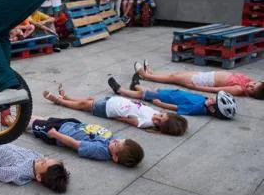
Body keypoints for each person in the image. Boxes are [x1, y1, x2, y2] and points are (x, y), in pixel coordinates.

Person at [43, 85, 188, 136]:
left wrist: (117, 117)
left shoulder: (147, 123)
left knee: (83, 105)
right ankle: (68, 97)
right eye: (161, 115)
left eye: (159, 122)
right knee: (87, 100)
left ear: (160, 128)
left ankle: (59, 101)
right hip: (113, 101)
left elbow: (130, 120)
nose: (157, 117)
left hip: (108, 109)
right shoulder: (153, 114)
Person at [12, 114, 144, 167]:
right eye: (119, 140)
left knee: (34, 125)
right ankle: (20, 114)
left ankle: (10, 124)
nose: (115, 141)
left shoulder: (100, 150)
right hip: (71, 125)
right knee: (43, 119)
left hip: (60, 133)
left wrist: (55, 135)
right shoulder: (114, 143)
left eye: (116, 145)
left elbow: (75, 145)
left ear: (115, 157)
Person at [109, 76, 238, 120]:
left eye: (213, 100)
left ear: (213, 110)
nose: (211, 98)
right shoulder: (205, 103)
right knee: (149, 91)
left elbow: (177, 108)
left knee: (142, 95)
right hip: (171, 93)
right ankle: (136, 85)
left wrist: (161, 104)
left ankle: (120, 90)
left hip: (166, 98)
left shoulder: (197, 109)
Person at [134, 60, 264, 99]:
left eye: (252, 90)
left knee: (173, 78)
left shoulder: (239, 89)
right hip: (206, 75)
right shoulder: (247, 80)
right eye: (254, 84)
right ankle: (152, 73)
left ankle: (146, 76)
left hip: (202, 81)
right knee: (176, 74)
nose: (250, 86)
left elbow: (216, 89)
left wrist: (195, 87)